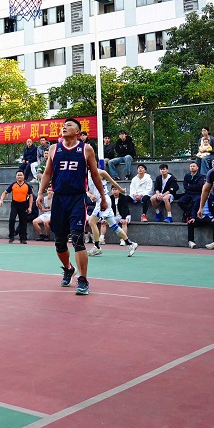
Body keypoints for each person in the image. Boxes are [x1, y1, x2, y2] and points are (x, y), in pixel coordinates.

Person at [37, 118, 132, 297]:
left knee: (77, 239)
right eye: (64, 125)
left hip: (77, 199)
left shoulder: (86, 149)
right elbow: (48, 173)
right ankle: (68, 268)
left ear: (78, 132)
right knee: (59, 242)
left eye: (69, 125)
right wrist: (40, 192)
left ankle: (83, 279)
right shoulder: (54, 149)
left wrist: (103, 198)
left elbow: (95, 175)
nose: (65, 127)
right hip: (59, 199)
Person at [85, 170, 127, 256]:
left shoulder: (101, 172)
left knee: (92, 222)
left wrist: (120, 190)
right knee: (113, 225)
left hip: (104, 200)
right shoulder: (86, 175)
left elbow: (112, 181)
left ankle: (97, 247)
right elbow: (86, 191)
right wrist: (91, 195)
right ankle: (130, 243)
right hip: (99, 201)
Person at [177, 162, 213, 249]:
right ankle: (188, 214)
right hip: (188, 193)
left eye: (193, 166)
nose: (192, 167)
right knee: (180, 201)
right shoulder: (187, 176)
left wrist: (190, 186)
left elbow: (199, 186)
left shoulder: (200, 176)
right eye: (191, 166)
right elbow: (185, 186)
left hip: (197, 194)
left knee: (196, 200)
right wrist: (191, 187)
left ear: (197, 168)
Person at [0, 170, 33, 244]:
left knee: (23, 222)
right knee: (12, 219)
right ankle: (11, 236)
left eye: (21, 175)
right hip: (15, 204)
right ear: (16, 176)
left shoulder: (27, 186)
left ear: (23, 176)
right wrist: (1, 200)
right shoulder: (13, 184)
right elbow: (5, 192)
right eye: (18, 175)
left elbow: (31, 196)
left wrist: (30, 207)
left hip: (24, 205)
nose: (19, 176)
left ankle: (23, 238)